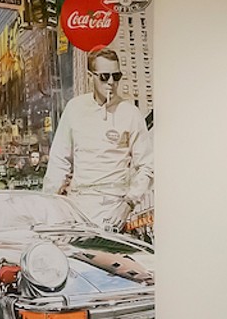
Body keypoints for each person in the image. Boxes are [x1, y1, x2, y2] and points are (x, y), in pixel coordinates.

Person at [43, 47, 152, 230]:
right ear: (90, 76)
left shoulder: (130, 113)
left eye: (116, 76)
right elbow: (58, 162)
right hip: (76, 207)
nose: (111, 82)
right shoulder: (74, 109)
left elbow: (148, 165)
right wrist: (47, 206)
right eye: (104, 76)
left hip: (114, 208)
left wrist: (128, 204)